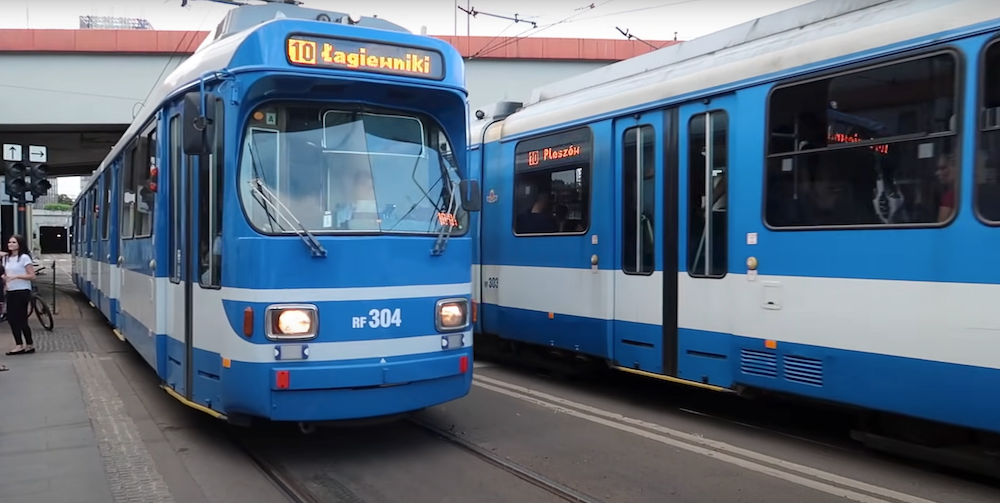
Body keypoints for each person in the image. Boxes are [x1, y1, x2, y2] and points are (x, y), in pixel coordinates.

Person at [3, 235, 35, 355]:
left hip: (22, 290)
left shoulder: (24, 258)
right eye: (9, 242)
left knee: (21, 319)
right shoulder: (6, 258)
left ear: (19, 244)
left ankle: (29, 344)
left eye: (14, 242)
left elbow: (32, 276)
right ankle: (19, 344)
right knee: (11, 318)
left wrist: (16, 276)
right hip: (11, 291)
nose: (10, 244)